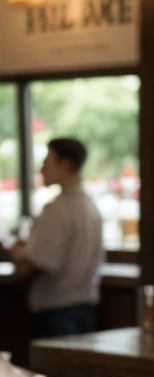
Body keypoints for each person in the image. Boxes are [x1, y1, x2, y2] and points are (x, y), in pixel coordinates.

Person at [9, 137, 103, 337]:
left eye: (47, 161)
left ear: (66, 165)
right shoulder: (90, 206)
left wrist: (17, 253)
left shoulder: (57, 209)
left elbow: (39, 263)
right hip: (86, 307)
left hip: (57, 311)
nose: (41, 169)